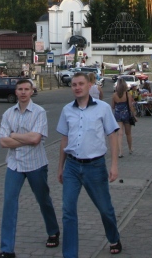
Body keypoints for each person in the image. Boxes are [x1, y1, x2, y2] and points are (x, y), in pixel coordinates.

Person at [57, 72, 122, 256]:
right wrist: (60, 167)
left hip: (95, 167)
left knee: (105, 209)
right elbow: (64, 139)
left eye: (80, 84)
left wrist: (114, 165)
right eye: (74, 84)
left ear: (89, 86)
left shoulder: (102, 108)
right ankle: (70, 254)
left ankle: (114, 237)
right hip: (72, 166)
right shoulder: (67, 110)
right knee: (68, 211)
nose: (77, 87)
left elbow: (112, 135)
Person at [0, 78, 60, 258]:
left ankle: (53, 231)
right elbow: (2, 141)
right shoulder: (8, 113)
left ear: (32, 92)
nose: (23, 92)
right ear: (15, 92)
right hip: (14, 165)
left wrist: (14, 136)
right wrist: (24, 137)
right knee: (9, 203)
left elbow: (35, 140)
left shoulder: (39, 112)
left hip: (35, 164)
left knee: (43, 199)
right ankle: (7, 250)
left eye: (26, 89)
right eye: (20, 89)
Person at [111, 77, 137, 158]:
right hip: (126, 115)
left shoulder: (114, 95)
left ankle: (120, 152)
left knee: (119, 134)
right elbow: (130, 106)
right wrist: (134, 115)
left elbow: (113, 106)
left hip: (118, 115)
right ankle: (130, 148)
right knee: (128, 133)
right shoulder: (127, 94)